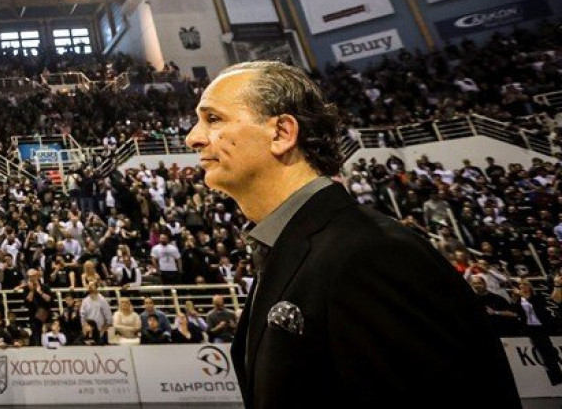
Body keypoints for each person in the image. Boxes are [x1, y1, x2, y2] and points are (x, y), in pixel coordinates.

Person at [185, 60, 519, 408]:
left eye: (213, 119)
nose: (193, 137)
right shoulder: (295, 247)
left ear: (282, 133)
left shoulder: (370, 255)